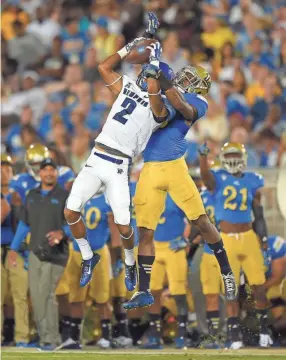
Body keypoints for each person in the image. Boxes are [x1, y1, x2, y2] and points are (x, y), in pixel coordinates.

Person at [64, 12, 174, 290]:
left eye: (152, 76)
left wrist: (152, 59)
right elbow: (103, 67)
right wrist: (132, 46)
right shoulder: (126, 86)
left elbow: (154, 97)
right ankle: (89, 256)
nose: (145, 76)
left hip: (119, 167)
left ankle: (128, 261)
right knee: (70, 211)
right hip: (96, 156)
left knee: (124, 227)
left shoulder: (160, 108)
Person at [123, 63, 236, 310]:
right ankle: (144, 290)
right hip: (150, 168)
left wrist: (162, 81)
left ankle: (227, 271)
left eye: (190, 78)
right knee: (145, 231)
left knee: (201, 221)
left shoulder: (198, 102)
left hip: (175, 166)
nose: (183, 79)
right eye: (183, 76)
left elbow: (181, 107)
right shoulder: (162, 94)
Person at [198, 142, 273, 348]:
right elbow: (205, 178)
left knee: (258, 286)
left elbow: (258, 215)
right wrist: (203, 159)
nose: (233, 159)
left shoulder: (252, 180)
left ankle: (264, 331)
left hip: (248, 237)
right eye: (229, 155)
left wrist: (264, 240)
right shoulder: (218, 178)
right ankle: (234, 335)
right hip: (228, 239)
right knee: (230, 289)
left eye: (236, 155)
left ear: (244, 158)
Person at [8, 158, 70, 350]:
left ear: (56, 174)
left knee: (46, 292)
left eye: (53, 170)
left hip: (57, 253)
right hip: (35, 251)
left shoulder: (65, 196)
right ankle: (45, 338)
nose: (49, 173)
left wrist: (62, 232)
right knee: (36, 295)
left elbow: (77, 224)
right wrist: (13, 248)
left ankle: (52, 338)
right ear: (40, 174)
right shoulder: (32, 195)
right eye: (45, 170)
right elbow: (24, 224)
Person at [57, 190, 118, 350]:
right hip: (77, 251)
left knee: (102, 297)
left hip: (98, 252)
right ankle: (74, 338)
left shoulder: (108, 199)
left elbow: (115, 230)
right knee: (76, 297)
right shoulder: (76, 197)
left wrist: (118, 255)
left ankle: (106, 336)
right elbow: (68, 223)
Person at [141, 194, 190, 349]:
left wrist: (185, 238)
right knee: (153, 291)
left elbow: (193, 219)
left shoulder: (177, 194)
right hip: (155, 246)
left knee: (178, 292)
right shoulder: (147, 194)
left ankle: (182, 334)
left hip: (173, 247)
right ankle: (155, 335)